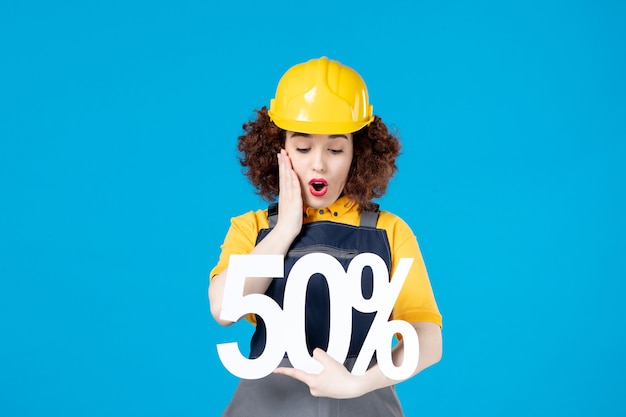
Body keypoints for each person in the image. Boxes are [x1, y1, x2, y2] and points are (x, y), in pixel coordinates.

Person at [208, 56, 442, 417]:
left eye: (335, 149)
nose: (319, 163)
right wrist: (285, 229)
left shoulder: (390, 233)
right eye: (303, 148)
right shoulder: (253, 229)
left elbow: (427, 340)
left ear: (356, 155)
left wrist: (356, 383)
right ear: (279, 151)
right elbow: (224, 309)